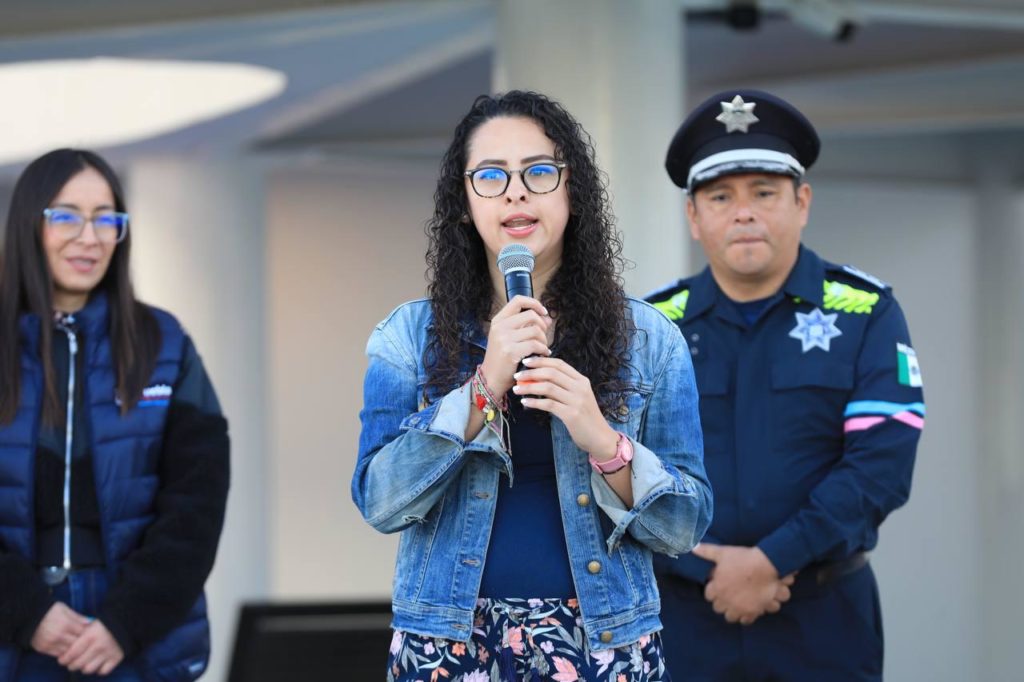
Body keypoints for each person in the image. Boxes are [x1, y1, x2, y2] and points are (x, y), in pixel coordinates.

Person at [352, 90, 712, 682]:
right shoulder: (408, 337)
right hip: (448, 644)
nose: (516, 192)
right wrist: (483, 387)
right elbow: (380, 501)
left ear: (572, 192)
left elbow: (682, 526)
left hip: (602, 641)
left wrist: (604, 443)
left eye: (539, 172)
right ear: (464, 203)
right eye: (491, 175)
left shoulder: (649, 339)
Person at [646, 90, 925, 681]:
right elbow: (616, 462)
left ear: (802, 202)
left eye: (764, 193)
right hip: (680, 620)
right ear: (693, 217)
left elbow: (881, 465)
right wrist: (707, 569)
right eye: (720, 197)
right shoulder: (652, 326)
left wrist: (772, 560)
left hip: (823, 620)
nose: (743, 213)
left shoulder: (866, 312)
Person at [0, 149, 230, 681]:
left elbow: (198, 501)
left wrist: (125, 622)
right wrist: (26, 612)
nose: (90, 237)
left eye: (106, 219)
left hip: (132, 636)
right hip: (14, 634)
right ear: (28, 223)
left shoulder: (163, 343)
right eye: (67, 216)